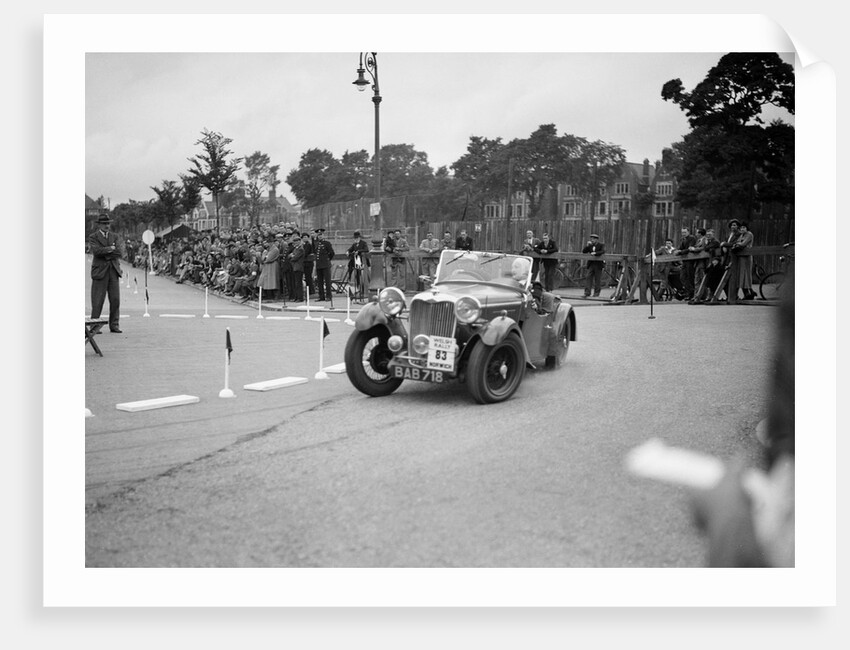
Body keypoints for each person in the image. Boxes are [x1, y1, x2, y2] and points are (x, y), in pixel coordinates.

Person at [88, 213, 124, 333]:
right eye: (104, 224)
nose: (107, 226)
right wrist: (110, 249)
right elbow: (96, 251)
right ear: (99, 225)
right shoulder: (93, 237)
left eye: (108, 223)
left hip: (113, 271)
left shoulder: (115, 236)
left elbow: (119, 252)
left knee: (115, 299)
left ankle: (114, 325)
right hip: (100, 271)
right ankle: (94, 325)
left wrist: (107, 253)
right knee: (97, 299)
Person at [732, 221, 756, 301]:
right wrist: (737, 244)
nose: (742, 229)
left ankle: (749, 292)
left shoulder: (749, 234)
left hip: (746, 257)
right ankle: (748, 293)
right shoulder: (742, 235)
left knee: (746, 274)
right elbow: (737, 242)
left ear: (747, 228)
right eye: (741, 228)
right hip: (741, 257)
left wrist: (738, 244)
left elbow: (743, 244)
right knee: (741, 275)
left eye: (744, 227)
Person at [674, 226, 697, 300]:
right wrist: (677, 251)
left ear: (688, 232)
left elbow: (690, 248)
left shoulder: (692, 238)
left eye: (685, 232)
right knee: (683, 277)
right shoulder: (683, 239)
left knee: (690, 277)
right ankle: (688, 292)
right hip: (684, 261)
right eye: (682, 232)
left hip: (690, 260)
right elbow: (680, 248)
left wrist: (680, 252)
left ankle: (692, 294)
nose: (683, 234)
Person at [313, 228, 335, 301]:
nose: (320, 236)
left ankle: (328, 296)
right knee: (320, 282)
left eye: (321, 235)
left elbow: (332, 253)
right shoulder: (317, 244)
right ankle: (321, 296)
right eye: (319, 235)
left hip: (325, 264)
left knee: (327, 281)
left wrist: (327, 259)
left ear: (323, 235)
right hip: (319, 265)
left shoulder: (327, 243)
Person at [581, 233, 605, 297]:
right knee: (588, 277)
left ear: (597, 240)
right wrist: (587, 246)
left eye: (594, 239)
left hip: (598, 264)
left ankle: (596, 293)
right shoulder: (590, 245)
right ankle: (587, 292)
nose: (592, 240)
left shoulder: (601, 245)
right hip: (591, 263)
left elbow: (602, 251)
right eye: (591, 238)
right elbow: (584, 251)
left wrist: (595, 253)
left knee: (597, 279)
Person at [301, 232, 315, 298]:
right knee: (306, 277)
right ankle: (308, 290)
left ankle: (311, 290)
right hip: (305, 263)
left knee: (308, 277)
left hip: (308, 263)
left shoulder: (308, 245)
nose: (305, 238)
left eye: (306, 237)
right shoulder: (303, 245)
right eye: (304, 237)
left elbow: (305, 253)